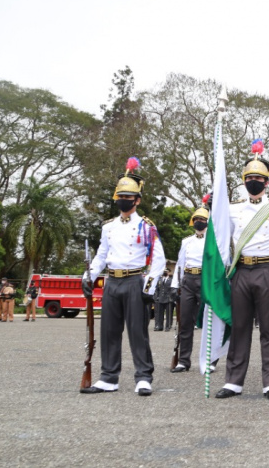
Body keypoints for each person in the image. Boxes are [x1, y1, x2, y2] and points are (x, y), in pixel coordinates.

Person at [81, 157, 166, 397]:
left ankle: (143, 377)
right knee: (108, 331)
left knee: (137, 332)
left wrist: (149, 288)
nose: (123, 200)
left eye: (128, 197)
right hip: (112, 281)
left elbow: (158, 260)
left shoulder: (147, 226)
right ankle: (108, 377)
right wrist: (88, 277)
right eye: (120, 196)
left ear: (137, 200)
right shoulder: (108, 227)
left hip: (134, 281)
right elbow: (101, 255)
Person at [217, 146, 269, 401]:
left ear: (267, 182)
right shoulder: (232, 208)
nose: (253, 182)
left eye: (258, 179)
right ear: (243, 181)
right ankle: (233, 382)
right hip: (241, 271)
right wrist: (222, 270)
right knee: (239, 327)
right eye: (249, 178)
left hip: (266, 270)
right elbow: (223, 239)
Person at [170, 200, 209, 373]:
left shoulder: (212, 241)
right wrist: (174, 285)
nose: (199, 222)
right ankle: (183, 360)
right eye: (197, 219)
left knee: (209, 322)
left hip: (205, 279)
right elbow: (180, 263)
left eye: (202, 219)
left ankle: (209, 360)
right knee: (185, 322)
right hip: (188, 280)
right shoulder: (186, 241)